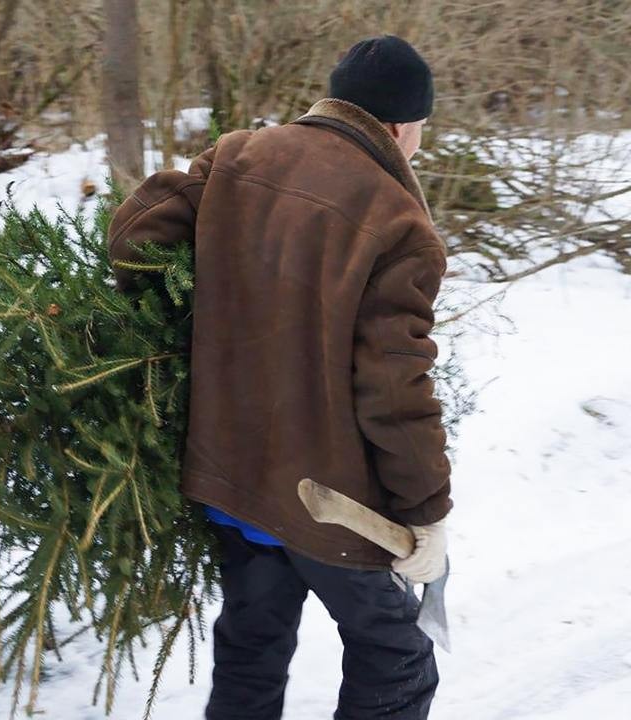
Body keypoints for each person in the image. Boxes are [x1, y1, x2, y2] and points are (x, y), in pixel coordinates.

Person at [107, 35, 451, 720]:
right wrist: (426, 511)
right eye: (420, 129)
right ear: (397, 128)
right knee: (397, 662)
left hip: (233, 478)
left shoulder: (239, 155)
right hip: (328, 502)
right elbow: (393, 388)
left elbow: (133, 239)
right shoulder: (399, 220)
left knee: (252, 651)